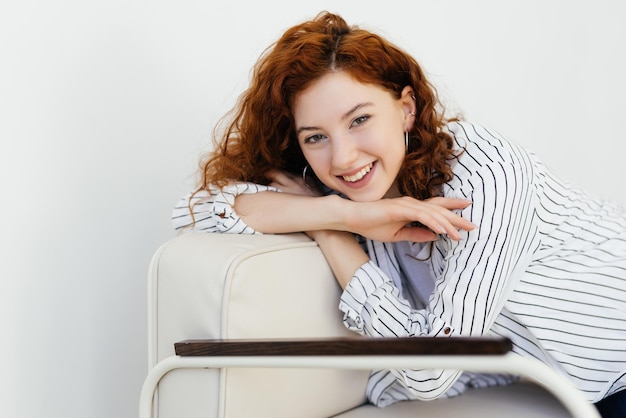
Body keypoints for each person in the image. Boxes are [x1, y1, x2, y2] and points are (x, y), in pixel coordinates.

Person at [172, 11, 626, 417]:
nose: (344, 158)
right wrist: (338, 216)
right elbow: (199, 213)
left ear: (406, 109)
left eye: (359, 120)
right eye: (315, 137)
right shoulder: (345, 196)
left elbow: (430, 371)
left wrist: (330, 236)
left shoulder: (484, 176)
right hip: (584, 391)